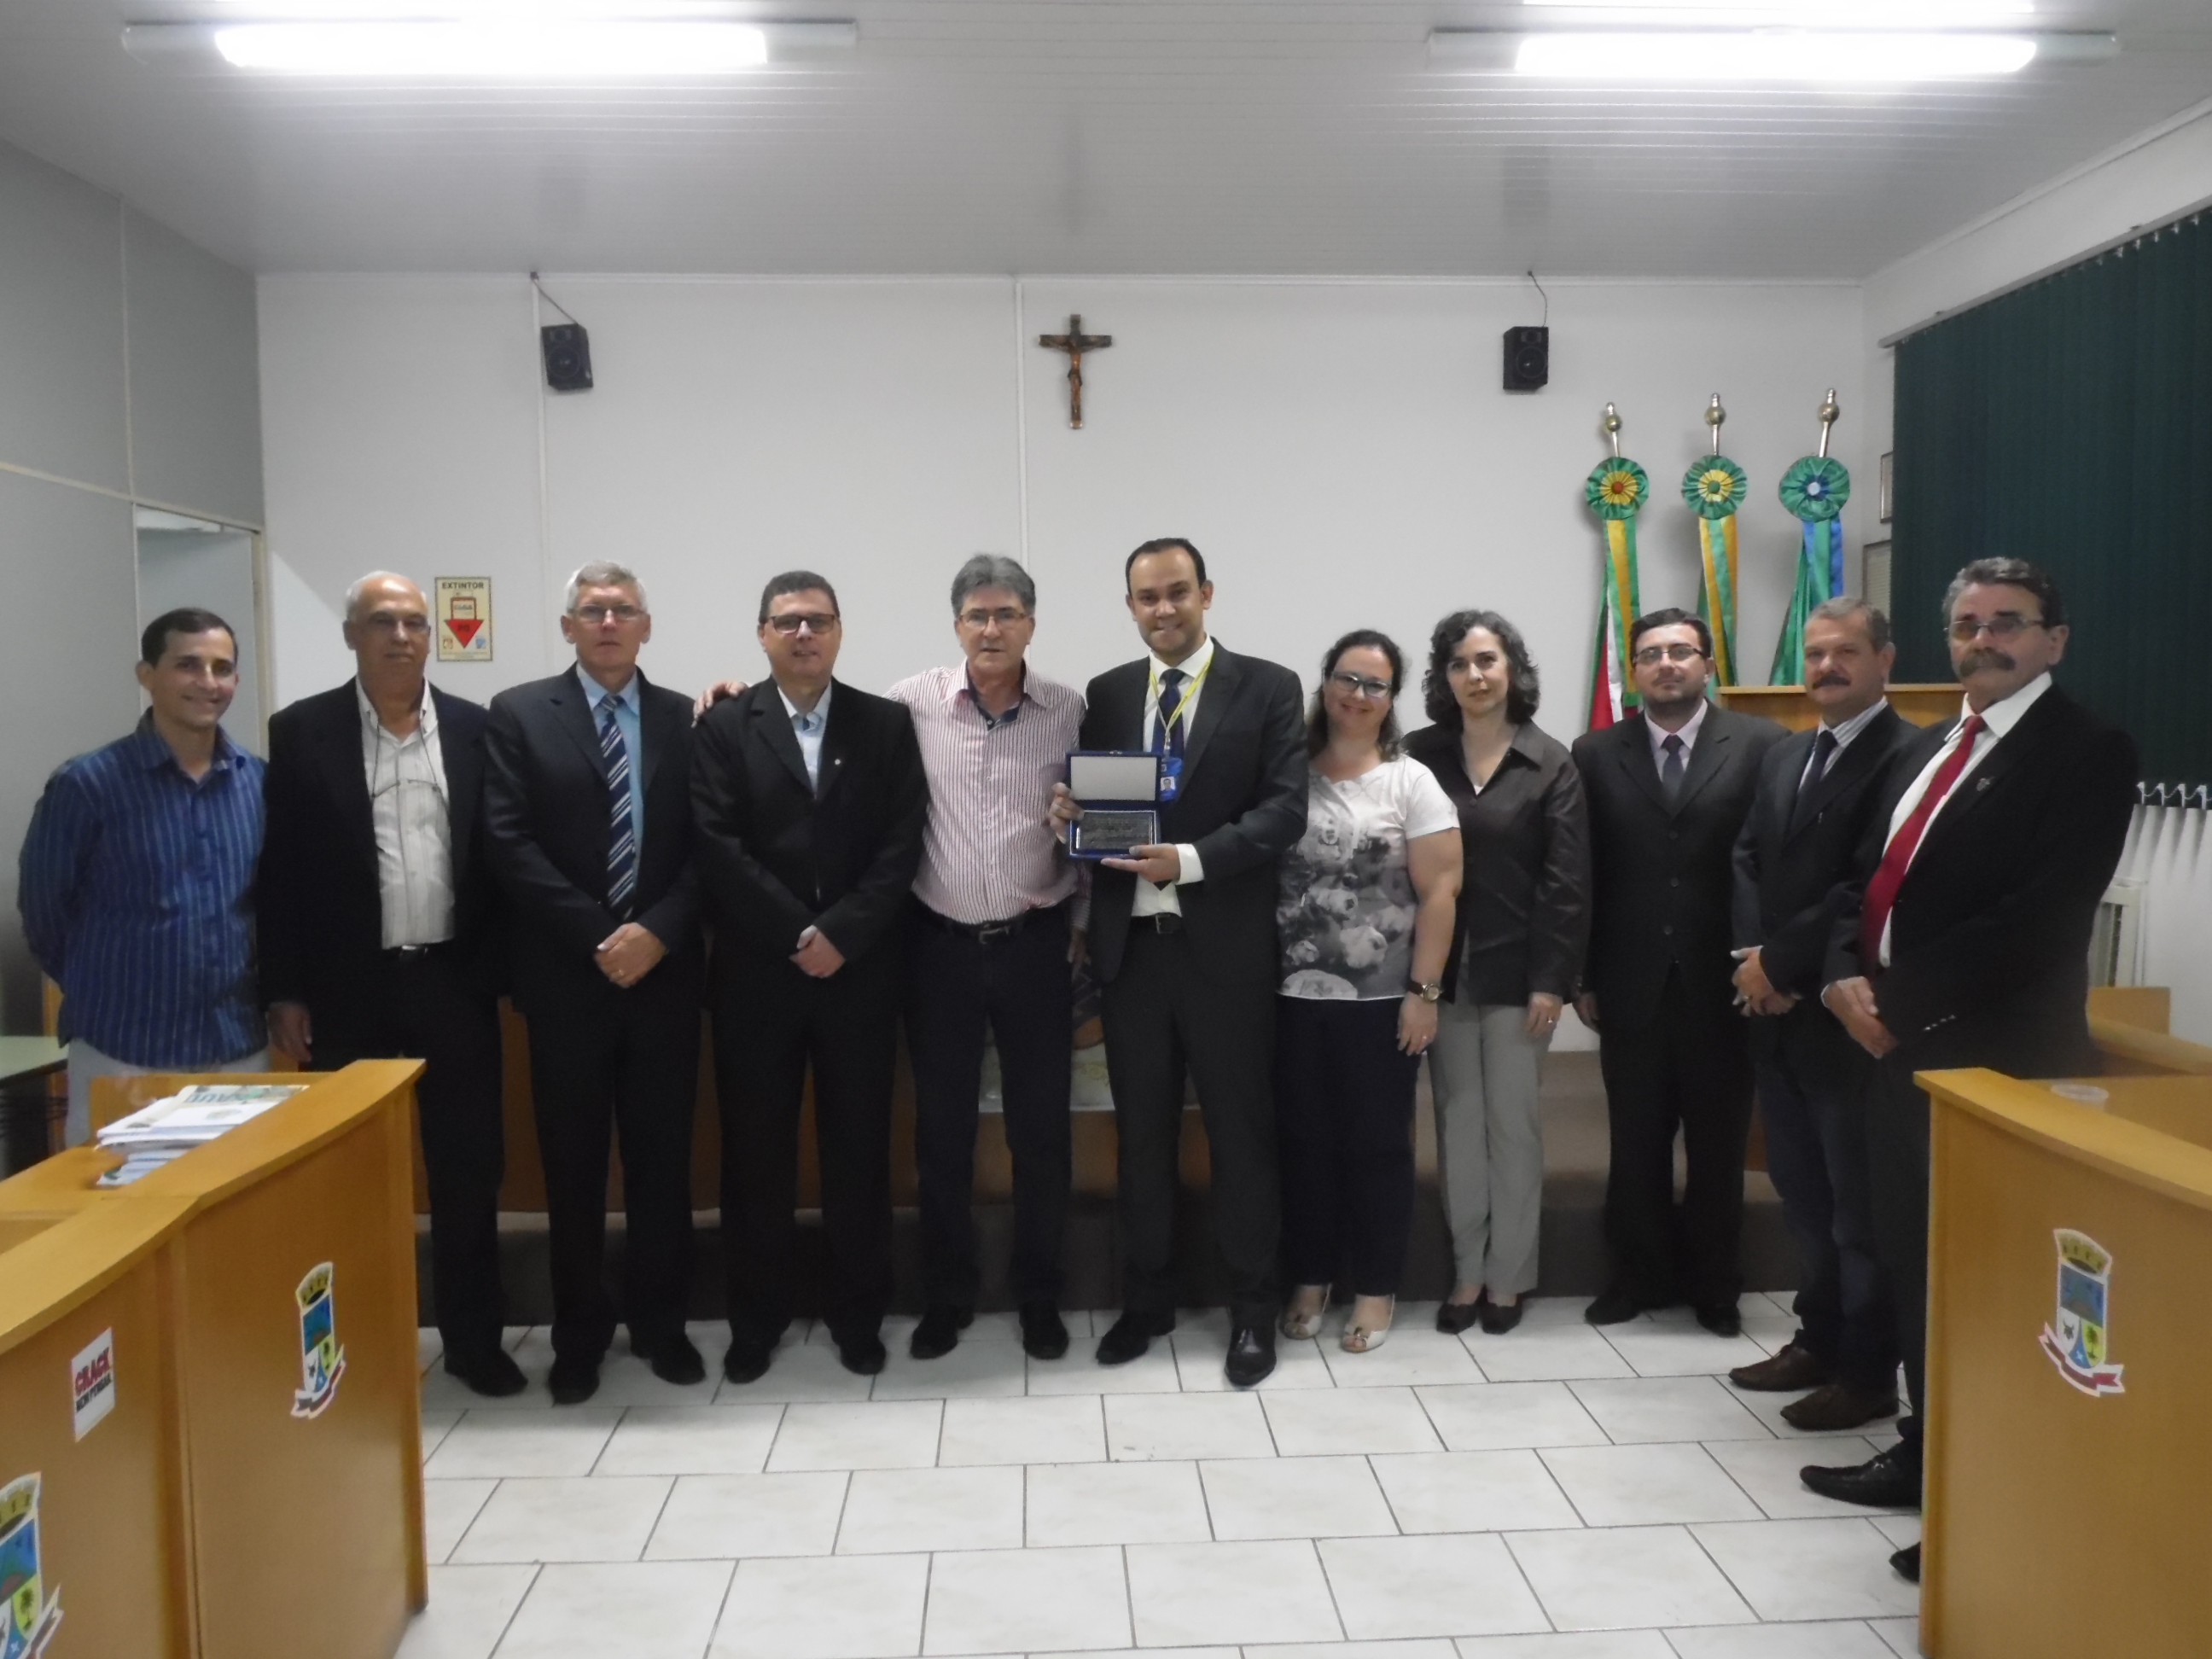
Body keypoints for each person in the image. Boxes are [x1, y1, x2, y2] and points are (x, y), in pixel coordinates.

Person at [1802, 558, 2139, 1584]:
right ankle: (1924, 1452)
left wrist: (1892, 1005)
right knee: (1916, 1268)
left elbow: (2038, 923)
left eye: (2008, 623)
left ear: (2055, 638)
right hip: (1899, 1052)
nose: (1983, 640)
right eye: (1967, 624)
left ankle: (1978, 1490)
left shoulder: (2086, 752)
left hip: (1993, 1068)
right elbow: (1870, 885)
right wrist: (1841, 976)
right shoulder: (1939, 741)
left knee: (1982, 1291)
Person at [1050, 537, 1307, 1388]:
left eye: (1176, 593)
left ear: (1206, 594)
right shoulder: (1111, 693)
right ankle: (1148, 1300)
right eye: (1146, 597)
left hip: (1225, 954)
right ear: (1129, 607)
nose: (1162, 609)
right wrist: (1073, 815)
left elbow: (1281, 813)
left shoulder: (1268, 687)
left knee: (1242, 1136)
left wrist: (1188, 861)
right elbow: (1110, 809)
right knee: (1143, 1139)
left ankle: (1251, 1312)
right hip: (1133, 957)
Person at [259, 572, 518, 1398]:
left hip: (454, 979)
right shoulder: (302, 733)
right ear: (351, 636)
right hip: (350, 988)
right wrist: (286, 988)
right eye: (381, 622)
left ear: (432, 637)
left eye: (413, 622)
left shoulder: (479, 731)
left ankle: (476, 1343)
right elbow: (283, 875)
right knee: (353, 1180)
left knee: (468, 1171)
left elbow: (504, 860)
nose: (400, 636)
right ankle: (360, 1346)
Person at [691, 571, 928, 1383]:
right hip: (759, 976)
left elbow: (904, 843)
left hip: (859, 974)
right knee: (756, 1155)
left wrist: (843, 933)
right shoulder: (725, 726)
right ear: (761, 634)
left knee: (858, 1153)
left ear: (838, 632)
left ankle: (858, 1316)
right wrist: (797, 931)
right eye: (786, 622)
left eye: (818, 621)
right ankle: (756, 1320)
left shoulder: (885, 724)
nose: (803, 634)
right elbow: (717, 845)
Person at [481, 562, 706, 1405]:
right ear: (568, 626)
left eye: (623, 610)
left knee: (661, 1164)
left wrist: (656, 932)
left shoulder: (689, 718)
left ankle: (661, 1325)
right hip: (567, 978)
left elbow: (706, 846)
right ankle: (579, 1335)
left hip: (664, 977)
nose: (609, 622)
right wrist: (598, 935)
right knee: (572, 1168)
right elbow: (508, 841)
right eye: (592, 610)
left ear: (647, 626)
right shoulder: (520, 714)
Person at [1726, 597, 1919, 1430]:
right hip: (1774, 1013)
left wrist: (1782, 961)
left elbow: (1865, 882)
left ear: (1885, 659)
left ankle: (1869, 1372)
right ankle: (1819, 1338)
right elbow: (1745, 858)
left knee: (1857, 1211)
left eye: (1846, 651)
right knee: (1803, 1196)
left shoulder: (1910, 755)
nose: (1826, 666)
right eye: (1815, 652)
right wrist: (1750, 961)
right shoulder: (1786, 754)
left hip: (1846, 1015)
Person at [888, 556, 1085, 1363]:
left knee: (1042, 1135)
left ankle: (1041, 1296)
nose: (992, 628)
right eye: (978, 615)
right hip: (938, 951)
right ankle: (947, 1296)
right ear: (957, 625)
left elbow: (1112, 816)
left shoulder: (1072, 712)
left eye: (1008, 614)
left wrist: (1082, 824)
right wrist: (722, 695)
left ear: (1032, 623)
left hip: (1037, 947)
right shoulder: (911, 704)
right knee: (943, 1137)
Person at [1572, 608, 1784, 1335]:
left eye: (1680, 652)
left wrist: (1768, 960)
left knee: (1718, 1145)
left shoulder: (1763, 746)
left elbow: (1774, 863)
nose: (1666, 664)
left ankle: (1716, 1286)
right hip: (1628, 982)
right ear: (1632, 671)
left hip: (1725, 982)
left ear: (1706, 663)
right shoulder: (1595, 753)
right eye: (1651, 654)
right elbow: (1585, 871)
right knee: (1635, 1143)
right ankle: (1635, 1278)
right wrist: (1583, 973)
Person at [1274, 631, 1460, 1353]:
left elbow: (1441, 890)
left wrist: (1424, 991)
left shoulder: (1409, 781)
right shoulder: (1287, 772)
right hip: (1289, 998)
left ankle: (1377, 1289)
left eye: (1375, 684)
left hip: (1383, 1003)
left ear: (1392, 698)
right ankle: (1312, 1278)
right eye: (1347, 678)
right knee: (1304, 1145)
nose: (1358, 694)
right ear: (1324, 683)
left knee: (1378, 1146)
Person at [1404, 610, 1588, 1336]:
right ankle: (1467, 1270)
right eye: (1458, 664)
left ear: (1512, 667)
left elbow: (1567, 882)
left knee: (1511, 1126)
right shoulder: (1418, 756)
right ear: (1443, 678)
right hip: (1438, 976)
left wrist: (1554, 979)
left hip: (1521, 979)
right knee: (1456, 1123)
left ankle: (1510, 1277)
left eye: (1486, 660)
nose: (1474, 676)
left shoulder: (1551, 762)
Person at [20, 609, 268, 1149]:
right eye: (187, 665)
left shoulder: (259, 784)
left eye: (221, 668)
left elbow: (265, 909)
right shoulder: (87, 785)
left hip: (236, 1048)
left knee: (239, 1220)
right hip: (123, 1050)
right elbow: (45, 912)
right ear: (146, 674)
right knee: (121, 1213)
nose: (208, 682)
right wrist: (109, 983)